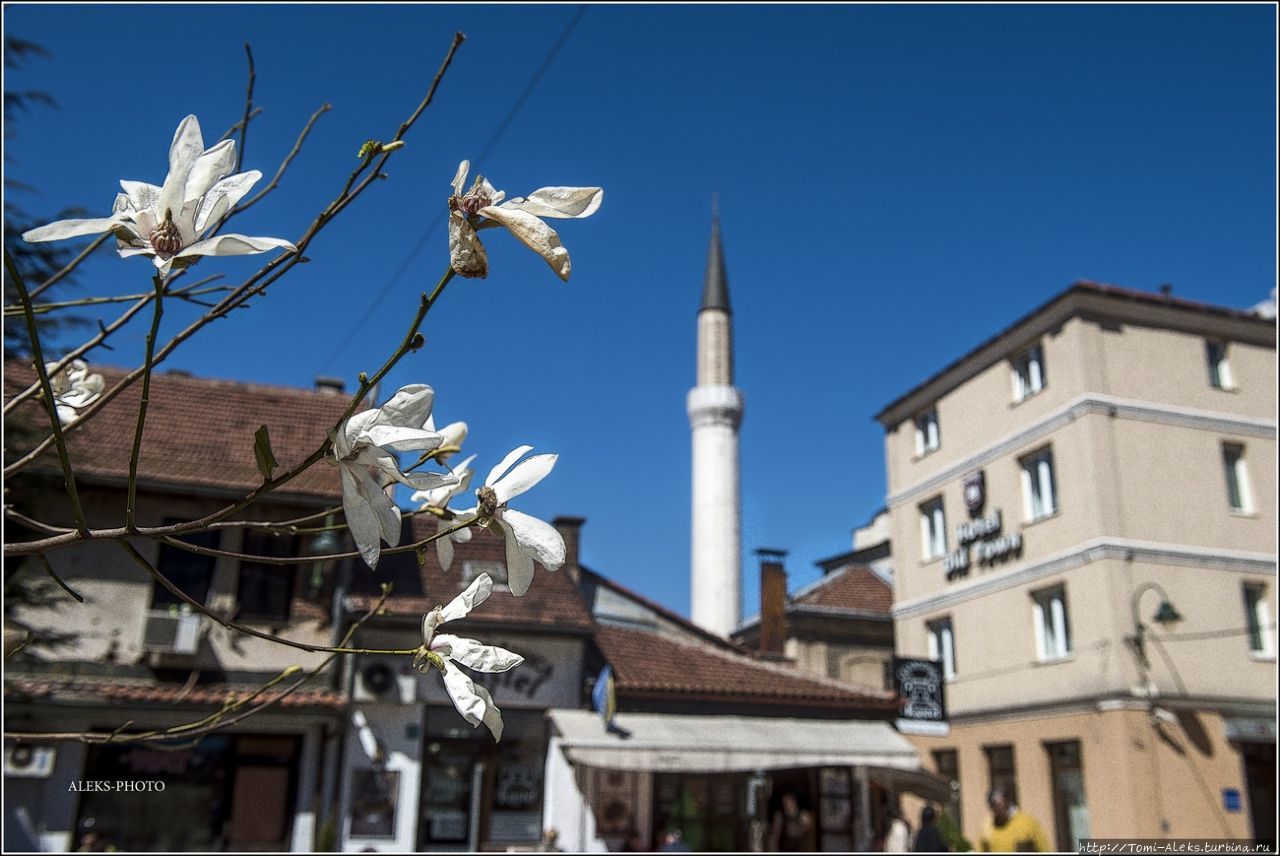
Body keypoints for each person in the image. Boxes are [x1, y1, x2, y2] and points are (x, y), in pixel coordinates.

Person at [978, 788, 1050, 852]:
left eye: (1000, 805)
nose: (998, 810)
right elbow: (980, 849)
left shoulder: (1027, 822)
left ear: (1008, 803)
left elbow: (1043, 847)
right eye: (994, 807)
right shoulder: (988, 826)